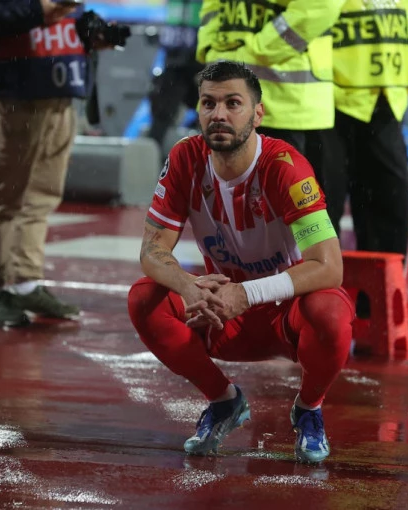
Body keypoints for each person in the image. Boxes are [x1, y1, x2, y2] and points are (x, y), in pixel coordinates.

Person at [127, 61, 355, 464]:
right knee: (145, 298)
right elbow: (152, 250)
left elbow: (329, 266)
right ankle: (224, 401)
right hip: (220, 311)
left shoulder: (285, 167)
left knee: (331, 312)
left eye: (233, 103)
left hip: (286, 314)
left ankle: (309, 408)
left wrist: (247, 293)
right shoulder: (184, 158)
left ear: (258, 113)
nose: (219, 114)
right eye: (208, 103)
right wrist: (187, 286)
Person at [0, 0, 127, 326]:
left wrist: (92, 32)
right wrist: (36, 11)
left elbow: (66, 15)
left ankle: (25, 281)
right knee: (4, 193)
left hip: (59, 87)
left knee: (41, 195)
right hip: (12, 90)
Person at [196, 0, 345, 187]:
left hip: (286, 105)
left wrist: (260, 48)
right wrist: (209, 44)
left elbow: (322, 5)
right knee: (222, 198)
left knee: (282, 200)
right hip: (228, 98)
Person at [327, 0, 408, 254]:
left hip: (386, 97)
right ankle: (321, 277)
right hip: (333, 99)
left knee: (389, 203)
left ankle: (383, 279)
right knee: (323, 206)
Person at [147, 0, 204, 154]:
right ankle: (152, 159)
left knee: (211, 115)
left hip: (201, 63)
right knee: (162, 114)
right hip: (175, 63)